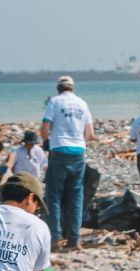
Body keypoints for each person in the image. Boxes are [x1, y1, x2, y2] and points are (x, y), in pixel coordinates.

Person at [40, 75, 95, 251]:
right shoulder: (82, 103)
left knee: (53, 196)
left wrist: (46, 140)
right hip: (78, 153)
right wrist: (80, 141)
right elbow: (90, 134)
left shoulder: (54, 102)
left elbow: (44, 128)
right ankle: (74, 239)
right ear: (72, 88)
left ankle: (55, 239)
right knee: (76, 198)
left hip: (59, 152)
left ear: (58, 88)